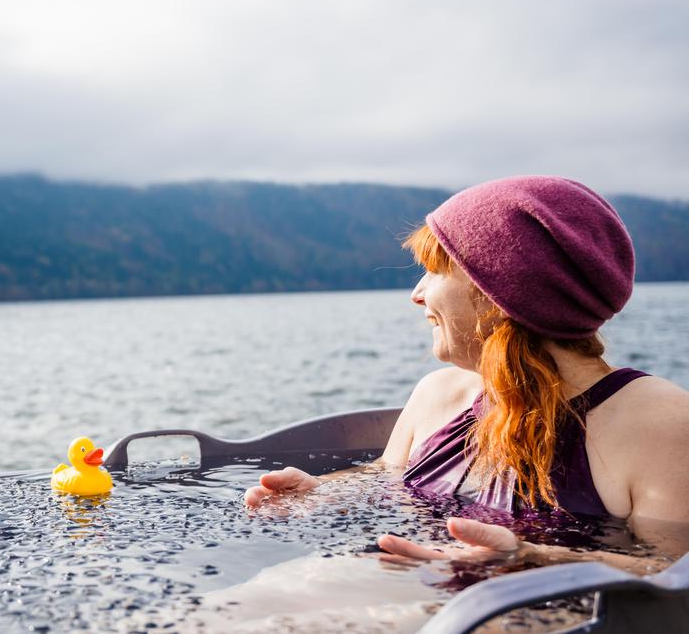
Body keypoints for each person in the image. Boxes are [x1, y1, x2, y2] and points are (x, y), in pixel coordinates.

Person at [245, 175, 689, 563]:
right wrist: (322, 492)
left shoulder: (659, 423)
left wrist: (532, 559)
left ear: (500, 293)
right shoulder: (439, 394)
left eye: (436, 271)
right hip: (412, 588)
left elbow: (671, 572)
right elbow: (386, 476)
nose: (417, 294)